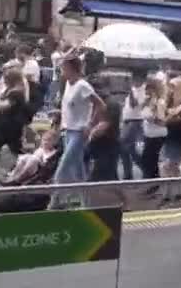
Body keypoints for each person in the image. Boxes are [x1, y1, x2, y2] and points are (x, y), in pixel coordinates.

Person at [48, 53, 105, 209]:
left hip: (79, 132)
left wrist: (89, 124)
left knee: (64, 166)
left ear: (72, 69)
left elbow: (100, 105)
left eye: (64, 68)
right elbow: (67, 108)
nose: (62, 72)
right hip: (68, 131)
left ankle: (54, 203)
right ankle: (86, 203)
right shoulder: (67, 84)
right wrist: (59, 124)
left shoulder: (83, 85)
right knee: (78, 171)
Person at [161, 76, 181, 206]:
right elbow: (164, 120)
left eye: (173, 86)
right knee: (172, 167)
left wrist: (180, 119)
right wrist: (171, 115)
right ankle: (175, 193)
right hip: (170, 136)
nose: (171, 89)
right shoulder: (167, 102)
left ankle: (168, 195)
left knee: (169, 165)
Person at [140, 76, 168, 197]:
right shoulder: (149, 101)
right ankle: (152, 183)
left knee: (150, 160)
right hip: (149, 134)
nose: (146, 91)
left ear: (154, 89)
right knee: (148, 160)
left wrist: (152, 118)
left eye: (148, 88)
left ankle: (153, 184)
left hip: (157, 135)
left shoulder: (159, 102)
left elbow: (163, 121)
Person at [0, 66, 29, 157]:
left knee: (16, 150)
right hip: (8, 125)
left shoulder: (16, 92)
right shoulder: (11, 89)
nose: (4, 81)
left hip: (11, 125)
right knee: (14, 149)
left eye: (6, 79)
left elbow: (1, 106)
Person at [119, 71, 146, 180]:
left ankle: (144, 167)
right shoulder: (133, 90)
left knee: (126, 146)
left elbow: (134, 104)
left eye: (134, 79)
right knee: (127, 149)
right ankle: (128, 173)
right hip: (127, 121)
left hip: (135, 121)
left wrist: (129, 91)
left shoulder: (143, 91)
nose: (133, 82)